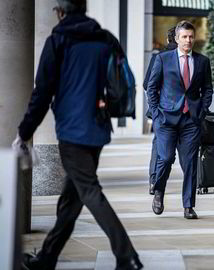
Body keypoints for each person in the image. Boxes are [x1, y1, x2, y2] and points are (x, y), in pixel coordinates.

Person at [16, 1, 143, 269]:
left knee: (89, 191)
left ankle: (126, 255)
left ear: (61, 11)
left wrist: (25, 131)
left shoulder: (58, 40)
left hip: (72, 131)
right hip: (97, 128)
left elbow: (42, 93)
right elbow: (119, 82)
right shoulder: (105, 38)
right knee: (71, 199)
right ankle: (47, 258)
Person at [146, 20, 213, 219]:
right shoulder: (163, 59)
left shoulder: (202, 61)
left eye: (191, 36)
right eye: (184, 36)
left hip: (191, 120)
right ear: (176, 39)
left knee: (190, 163)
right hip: (166, 119)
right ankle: (158, 191)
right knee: (165, 158)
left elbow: (207, 89)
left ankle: (188, 206)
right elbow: (151, 87)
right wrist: (156, 113)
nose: (188, 40)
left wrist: (202, 110)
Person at [143, 26, 178, 195]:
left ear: (167, 39)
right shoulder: (189, 58)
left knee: (159, 145)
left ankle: (154, 181)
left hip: (163, 113)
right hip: (185, 113)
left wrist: (155, 110)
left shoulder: (158, 57)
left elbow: (146, 84)